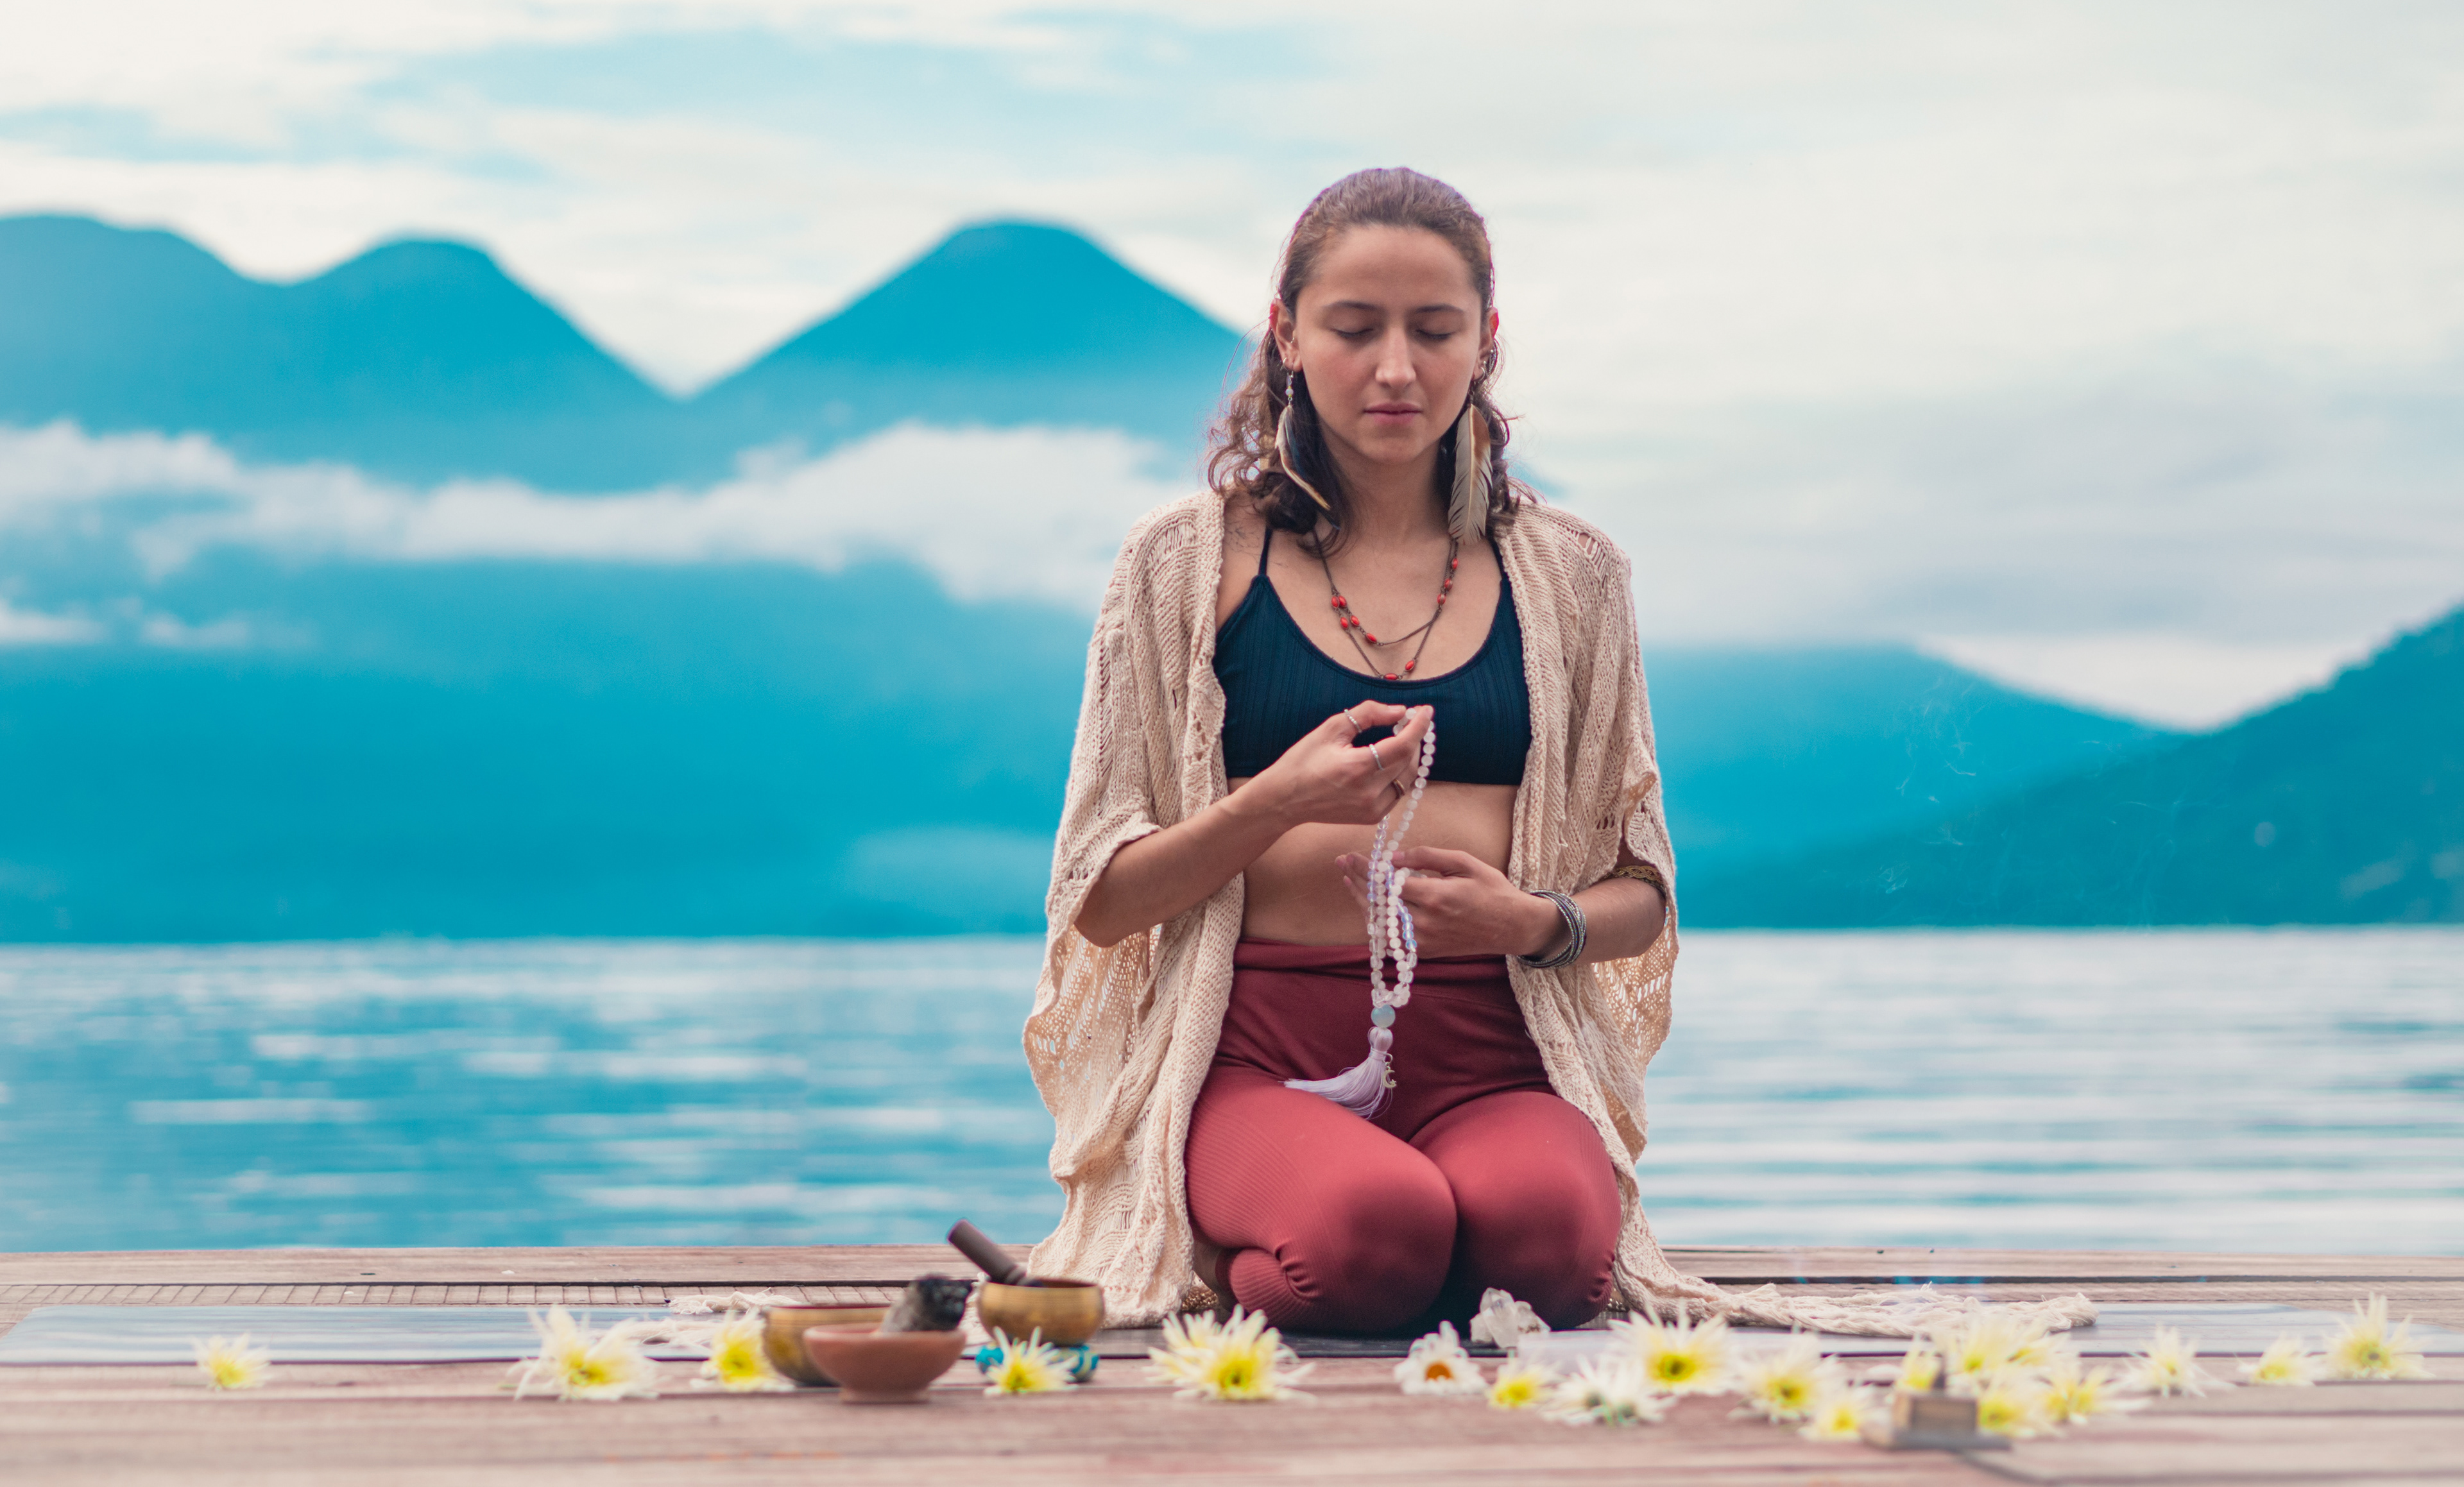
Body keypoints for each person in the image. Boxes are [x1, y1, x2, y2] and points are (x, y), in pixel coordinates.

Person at [1023, 167, 1695, 1335]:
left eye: (1436, 330)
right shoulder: (1182, 564)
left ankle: (1425, 1227)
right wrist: (1273, 800)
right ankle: (1307, 1226)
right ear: (1286, 334)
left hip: (1494, 1054)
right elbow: (1102, 899)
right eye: (1354, 328)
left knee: (1558, 1258)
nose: (1397, 367)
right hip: (1254, 1055)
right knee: (1372, 1238)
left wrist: (1533, 922)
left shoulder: (1577, 576)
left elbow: (1644, 892)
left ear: (1486, 342)